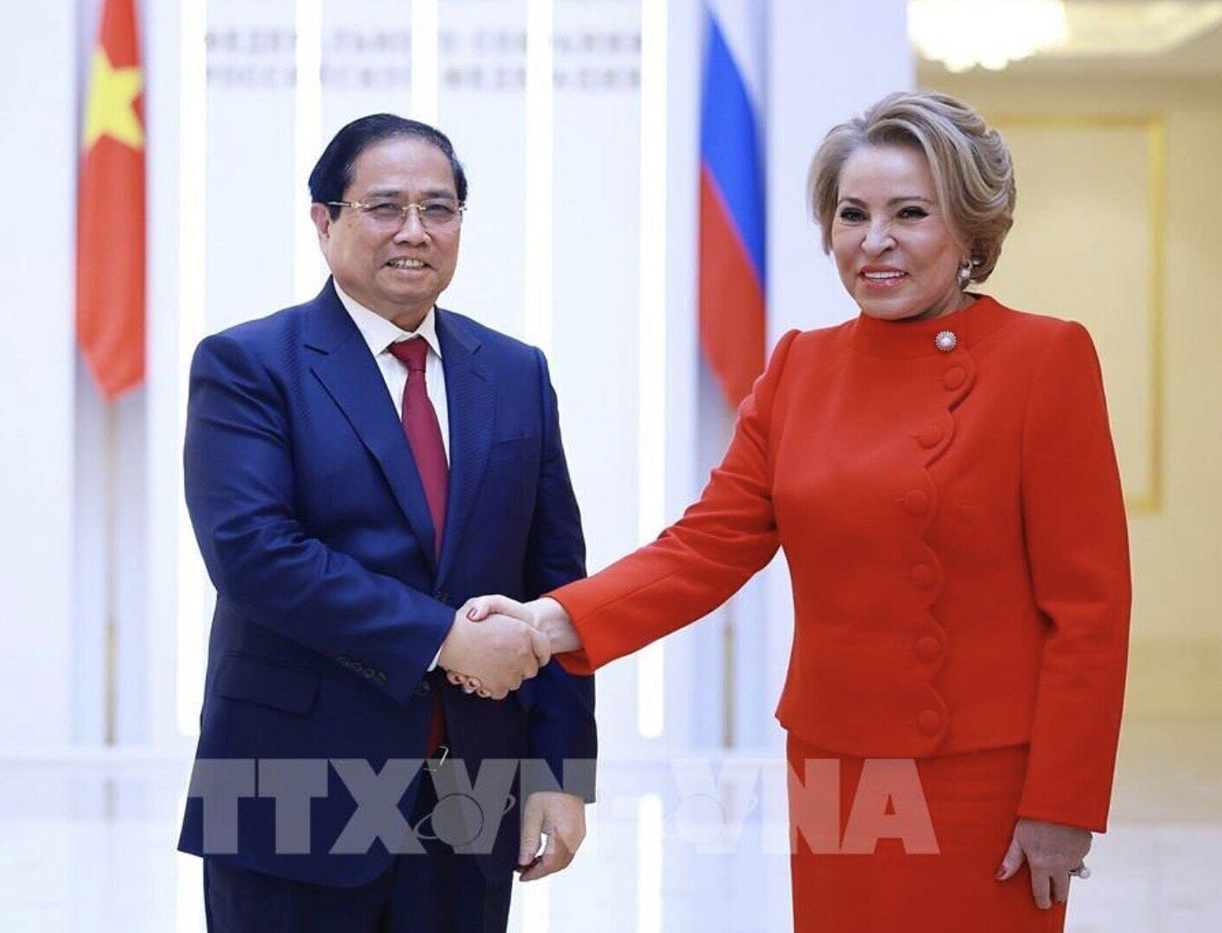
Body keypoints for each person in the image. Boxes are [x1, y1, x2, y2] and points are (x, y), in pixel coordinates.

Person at [462, 91, 1131, 932]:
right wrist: (549, 621)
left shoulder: (1045, 358)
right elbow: (703, 548)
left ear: (970, 229)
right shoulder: (800, 368)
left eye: (910, 214)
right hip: (836, 764)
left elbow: (1091, 611)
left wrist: (1063, 800)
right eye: (852, 214)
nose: (874, 240)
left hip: (983, 780)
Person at [177, 113, 596, 933]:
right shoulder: (247, 365)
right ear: (323, 221)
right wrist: (446, 636)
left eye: (439, 209)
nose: (415, 232)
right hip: (288, 792)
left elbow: (557, 580)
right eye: (384, 207)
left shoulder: (515, 372)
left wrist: (560, 769)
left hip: (469, 793)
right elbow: (255, 554)